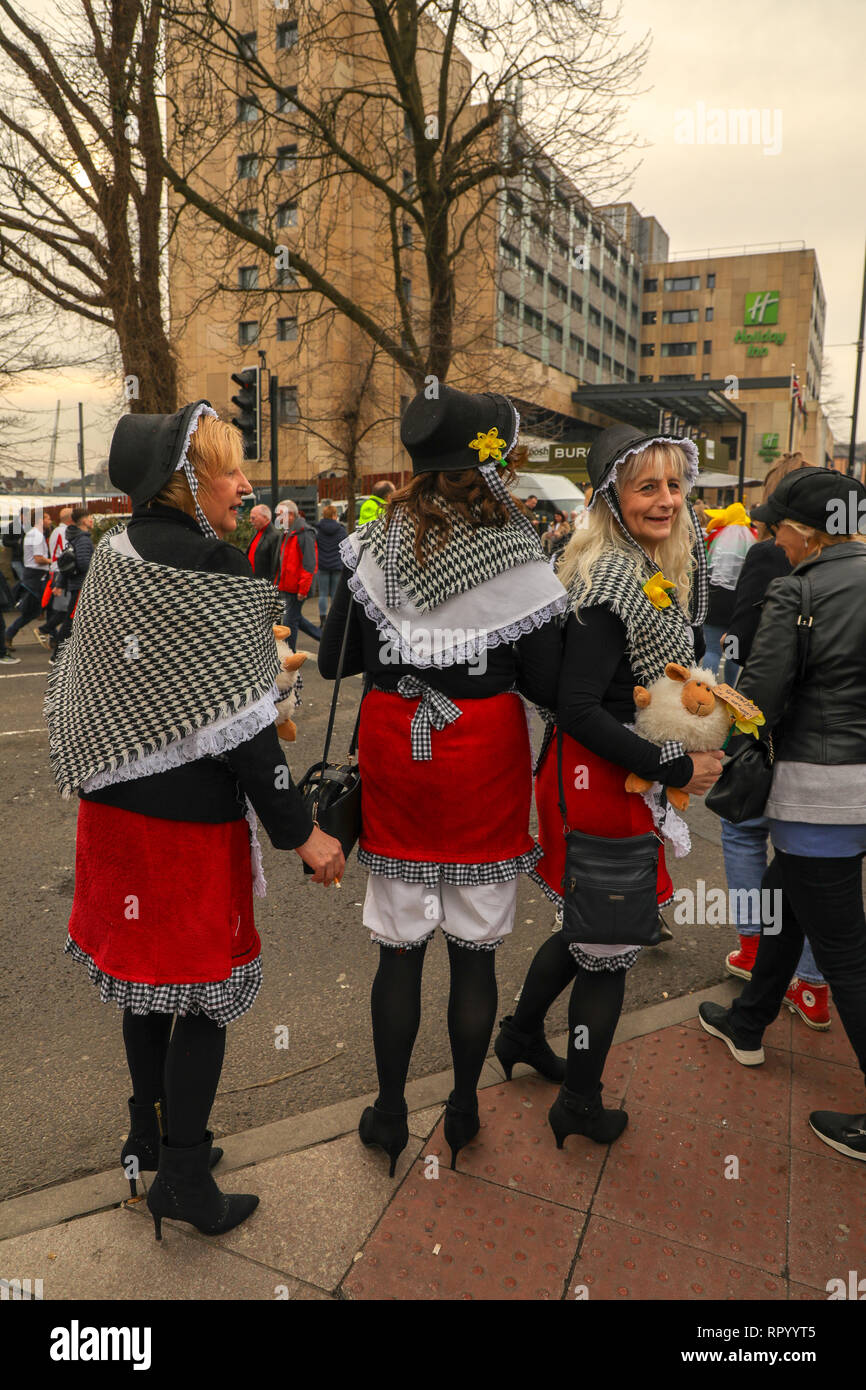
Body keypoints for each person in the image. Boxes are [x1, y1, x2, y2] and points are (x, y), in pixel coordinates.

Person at [45, 402, 344, 1241]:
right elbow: (248, 731)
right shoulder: (219, 568)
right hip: (185, 829)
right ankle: (181, 1177)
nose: (244, 485)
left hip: (112, 814)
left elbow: (90, 685)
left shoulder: (112, 556)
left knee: (145, 984)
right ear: (184, 478)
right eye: (227, 469)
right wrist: (302, 833)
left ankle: (148, 1144)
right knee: (207, 995)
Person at [319, 384, 565, 1174]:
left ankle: (389, 1112)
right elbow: (550, 684)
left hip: (400, 745)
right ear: (488, 463)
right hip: (481, 750)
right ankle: (462, 1106)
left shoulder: (373, 543)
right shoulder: (518, 547)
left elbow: (333, 663)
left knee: (398, 949)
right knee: (475, 953)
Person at [500, 423, 721, 1150]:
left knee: (588, 929)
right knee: (613, 942)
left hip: (599, 774)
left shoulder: (638, 563)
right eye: (646, 486)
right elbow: (580, 707)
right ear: (611, 496)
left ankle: (522, 1035)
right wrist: (675, 767)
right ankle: (580, 1105)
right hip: (599, 781)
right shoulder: (612, 578)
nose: (666, 500)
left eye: (674, 485)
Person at [698, 466, 866, 1162]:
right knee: (782, 900)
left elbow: (759, 701)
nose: (775, 540)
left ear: (805, 533)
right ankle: (748, 1022)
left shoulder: (799, 590)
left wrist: (710, 709)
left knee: (847, 955)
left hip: (817, 792)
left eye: (779, 530)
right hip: (855, 792)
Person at [718, 453, 831, 1029]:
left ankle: (757, 948)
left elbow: (742, 646)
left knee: (742, 832)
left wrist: (736, 720)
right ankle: (810, 983)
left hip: (773, 728)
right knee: (807, 857)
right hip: (829, 746)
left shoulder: (768, 557)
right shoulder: (850, 569)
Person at [701, 502, 756, 676]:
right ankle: (730, 695)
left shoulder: (715, 536)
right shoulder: (752, 538)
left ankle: (707, 688)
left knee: (712, 650)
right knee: (733, 653)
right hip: (738, 603)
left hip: (715, 600)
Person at [274, 499, 321, 649]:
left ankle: (289, 654)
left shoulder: (303, 533)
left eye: (281, 515)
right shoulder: (289, 533)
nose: (278, 519)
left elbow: (309, 564)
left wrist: (303, 588)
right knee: (295, 619)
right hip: (288, 586)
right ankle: (325, 639)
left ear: (291, 515)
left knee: (290, 621)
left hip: (296, 588)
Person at [50, 508, 95, 661]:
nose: (92, 520)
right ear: (83, 521)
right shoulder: (83, 539)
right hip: (82, 586)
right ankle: (57, 655)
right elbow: (83, 564)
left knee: (80, 621)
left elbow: (67, 562)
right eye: (90, 517)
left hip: (77, 585)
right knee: (71, 620)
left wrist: (60, 584)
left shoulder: (74, 538)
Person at [5, 512, 51, 650]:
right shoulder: (36, 535)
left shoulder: (32, 533)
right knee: (36, 611)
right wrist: (53, 561)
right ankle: (8, 636)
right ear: (40, 520)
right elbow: (38, 558)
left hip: (34, 575)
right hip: (36, 576)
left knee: (43, 609)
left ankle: (55, 637)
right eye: (47, 518)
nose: (50, 521)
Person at [35, 506, 74, 649]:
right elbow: (67, 554)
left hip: (56, 571)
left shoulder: (56, 531)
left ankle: (55, 638)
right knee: (66, 609)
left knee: (64, 608)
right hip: (61, 572)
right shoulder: (64, 532)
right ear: (71, 519)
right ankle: (46, 631)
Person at [315, 504, 347, 620]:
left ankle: (323, 619)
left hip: (323, 565)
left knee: (323, 594)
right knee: (335, 595)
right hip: (337, 565)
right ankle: (335, 619)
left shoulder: (318, 530)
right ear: (334, 515)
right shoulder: (341, 530)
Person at [245, 503, 281, 580]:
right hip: (253, 580)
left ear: (265, 517)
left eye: (253, 518)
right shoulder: (258, 532)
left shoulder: (275, 536)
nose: (250, 521)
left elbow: (276, 565)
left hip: (264, 583)